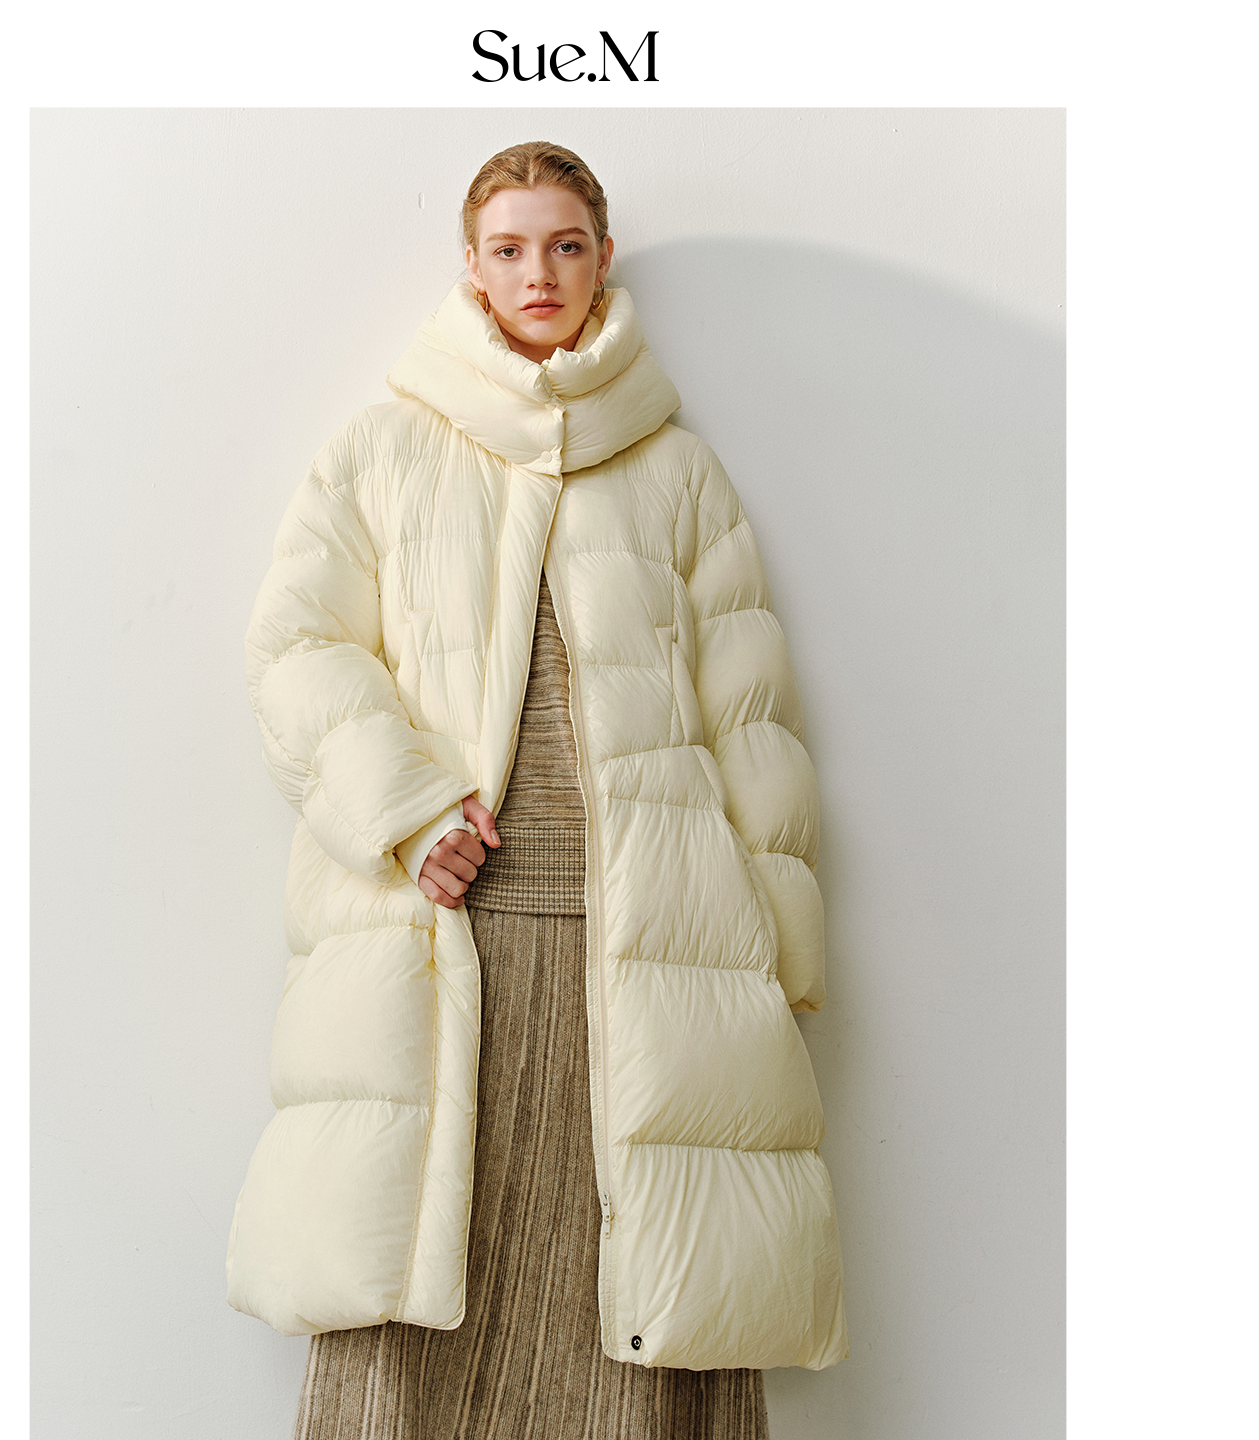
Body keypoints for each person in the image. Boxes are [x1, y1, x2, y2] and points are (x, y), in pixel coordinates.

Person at [227, 142, 847, 1440]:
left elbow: (753, 720)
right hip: (445, 921)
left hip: (658, 934)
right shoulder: (385, 451)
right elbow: (297, 649)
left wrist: (781, 953)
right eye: (509, 248)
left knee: (648, 1262)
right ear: (470, 266)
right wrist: (408, 813)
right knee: (419, 1252)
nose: (539, 273)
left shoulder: (676, 471)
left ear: (603, 257)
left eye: (565, 244)